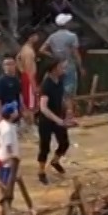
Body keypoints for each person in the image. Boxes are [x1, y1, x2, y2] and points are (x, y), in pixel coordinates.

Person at [35, 55, 71, 183]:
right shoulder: (46, 85)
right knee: (44, 146)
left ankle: (55, 161)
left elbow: (62, 98)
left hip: (58, 116)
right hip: (46, 119)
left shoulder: (59, 81)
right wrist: (58, 120)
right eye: (61, 66)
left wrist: (68, 112)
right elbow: (43, 108)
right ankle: (41, 171)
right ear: (54, 69)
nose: (63, 68)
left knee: (64, 143)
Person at [0, 103, 20, 204]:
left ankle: (5, 206)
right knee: (8, 185)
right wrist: (12, 158)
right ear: (11, 114)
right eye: (15, 110)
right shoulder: (8, 129)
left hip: (2, 158)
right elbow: (8, 146)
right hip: (8, 162)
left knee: (4, 183)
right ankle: (6, 207)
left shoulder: (2, 124)